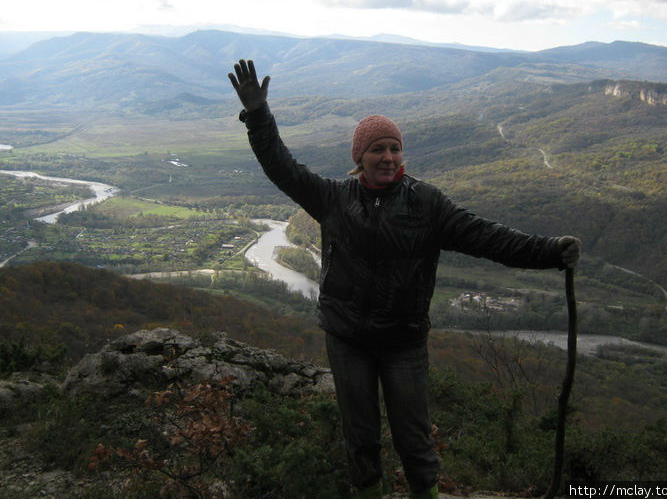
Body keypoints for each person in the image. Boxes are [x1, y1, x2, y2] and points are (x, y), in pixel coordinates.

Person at [228, 59, 581, 499]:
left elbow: (488, 237)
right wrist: (259, 115)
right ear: (360, 158)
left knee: (414, 440)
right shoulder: (334, 199)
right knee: (360, 437)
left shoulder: (427, 204)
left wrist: (548, 251)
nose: (388, 157)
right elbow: (281, 166)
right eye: (378, 149)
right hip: (347, 336)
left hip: (403, 340)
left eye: (395, 148)